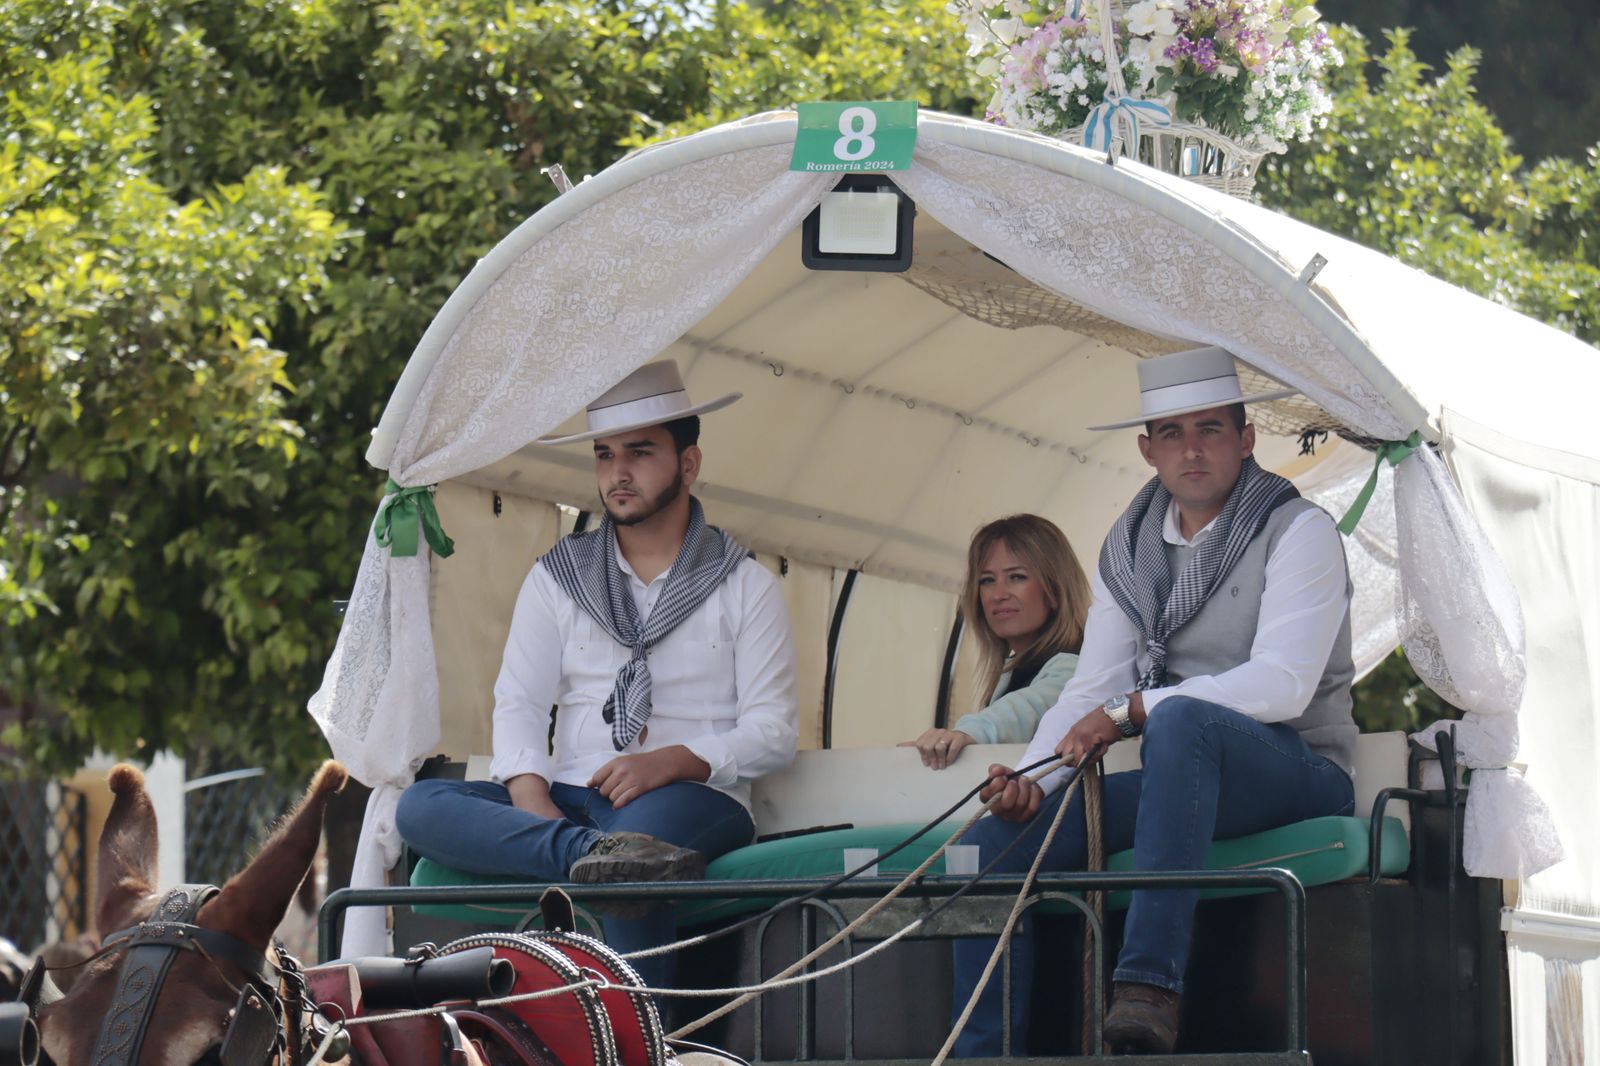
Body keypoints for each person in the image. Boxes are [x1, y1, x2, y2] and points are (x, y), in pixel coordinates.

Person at [951, 346, 1357, 1056]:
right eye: (1171, 433)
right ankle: (982, 1055)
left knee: (1180, 719)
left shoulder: (1300, 531)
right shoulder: (1127, 549)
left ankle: (1147, 989)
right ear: (1147, 449)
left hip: (1300, 770)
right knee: (989, 846)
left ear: (1246, 438)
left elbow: (1285, 684)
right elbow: (1089, 685)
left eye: (1210, 429)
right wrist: (1030, 778)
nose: (1191, 449)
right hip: (1185, 773)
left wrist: (1136, 711)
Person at [398, 360, 799, 984]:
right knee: (421, 806)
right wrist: (533, 801)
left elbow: (773, 732)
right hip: (569, 799)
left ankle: (641, 1036)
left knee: (636, 854)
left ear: (688, 464)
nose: (618, 472)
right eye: (605, 455)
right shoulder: (558, 577)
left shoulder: (745, 585)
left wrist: (672, 761)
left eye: (640, 452)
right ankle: (592, 857)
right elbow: (520, 705)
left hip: (694, 797)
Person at [900, 514, 1089, 770]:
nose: (998, 595)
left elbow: (1028, 709)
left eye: (1017, 577)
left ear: (1055, 590)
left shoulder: (1076, 665)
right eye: (987, 581)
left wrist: (965, 734)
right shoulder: (1012, 670)